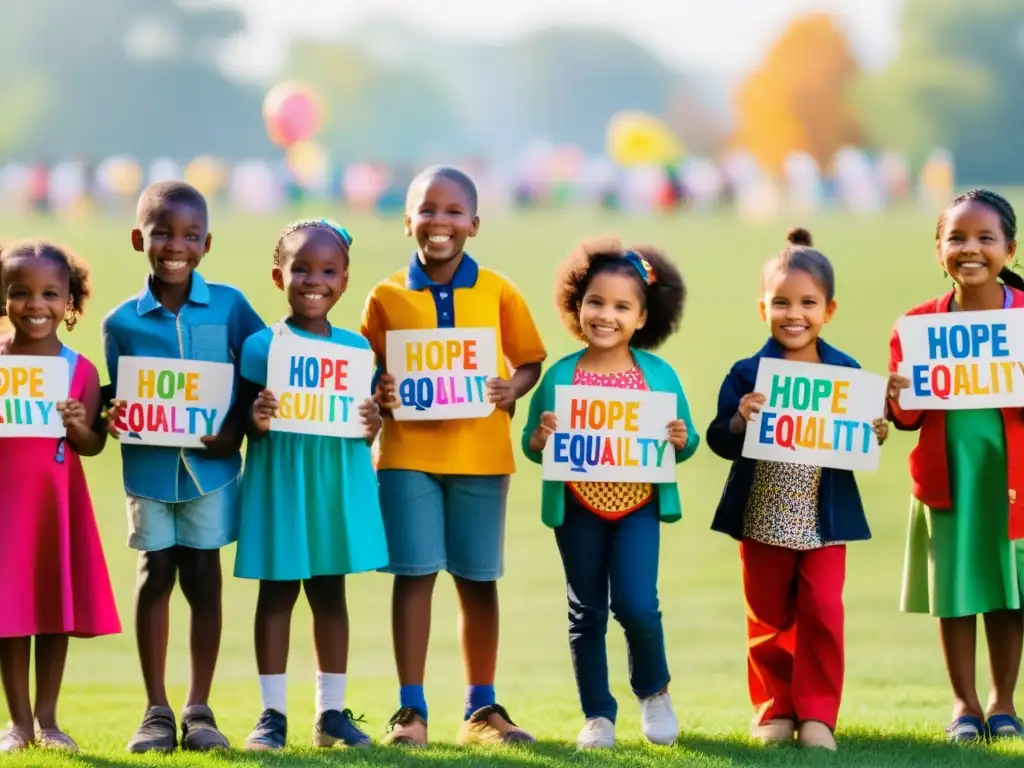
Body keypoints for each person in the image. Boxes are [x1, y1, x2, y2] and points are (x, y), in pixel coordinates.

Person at [361, 166, 546, 746]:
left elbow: (529, 361)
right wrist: (381, 390)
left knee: (477, 580)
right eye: (427, 209)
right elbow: (365, 371)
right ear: (407, 219)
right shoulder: (386, 296)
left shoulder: (498, 290)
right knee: (413, 578)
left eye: (452, 211)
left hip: (482, 456)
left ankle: (481, 710)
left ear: (474, 223)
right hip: (406, 455)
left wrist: (512, 390)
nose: (439, 222)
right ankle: (410, 712)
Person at [705, 228, 887, 751]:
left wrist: (874, 429)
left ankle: (818, 716)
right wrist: (740, 420)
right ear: (761, 306)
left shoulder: (845, 371)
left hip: (822, 517)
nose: (794, 314)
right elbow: (719, 439)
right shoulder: (748, 374)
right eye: (780, 302)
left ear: (828, 310)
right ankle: (773, 709)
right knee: (767, 614)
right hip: (763, 513)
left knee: (824, 610)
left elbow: (859, 434)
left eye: (807, 303)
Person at [102, 181, 265, 753]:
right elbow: (119, 396)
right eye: (163, 233)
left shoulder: (231, 305)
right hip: (149, 472)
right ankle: (155, 710)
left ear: (207, 242)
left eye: (190, 235)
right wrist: (113, 413)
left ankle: (198, 708)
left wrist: (237, 427)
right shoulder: (120, 322)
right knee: (155, 574)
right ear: (137, 239)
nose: (177, 245)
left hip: (213, 471)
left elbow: (257, 372)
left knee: (203, 577)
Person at [522, 238, 697, 749]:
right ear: (577, 305)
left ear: (643, 317)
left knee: (639, 605)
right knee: (587, 612)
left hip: (638, 507)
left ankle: (654, 690)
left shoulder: (658, 376)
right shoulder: (560, 376)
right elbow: (535, 443)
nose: (606, 315)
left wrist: (682, 440)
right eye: (596, 302)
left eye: (622, 307)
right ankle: (598, 714)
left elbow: (684, 440)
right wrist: (538, 438)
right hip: (579, 509)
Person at [235, 220, 388, 751]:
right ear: (278, 276)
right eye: (300, 269)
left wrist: (375, 422)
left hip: (333, 484)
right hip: (282, 479)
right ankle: (271, 715)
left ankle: (331, 714)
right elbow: (242, 415)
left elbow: (364, 418)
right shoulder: (262, 345)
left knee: (330, 594)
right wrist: (254, 415)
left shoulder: (356, 349)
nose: (313, 281)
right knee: (276, 595)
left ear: (344, 281)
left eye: (327, 271)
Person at [889, 189, 1024, 742]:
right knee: (957, 590)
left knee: (1009, 589)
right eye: (957, 238)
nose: (971, 250)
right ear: (938, 249)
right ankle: (964, 704)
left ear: (1009, 250)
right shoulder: (917, 325)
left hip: (1013, 479)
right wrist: (895, 395)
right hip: (949, 479)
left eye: (985, 239)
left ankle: (1003, 702)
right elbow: (908, 415)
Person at [0, 240, 120, 753]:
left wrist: (80, 426)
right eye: (20, 293)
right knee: (9, 612)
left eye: (50, 294)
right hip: (7, 506)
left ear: (69, 302)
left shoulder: (81, 369)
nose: (35, 305)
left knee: (53, 606)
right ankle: (18, 724)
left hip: (55, 504)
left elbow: (91, 446)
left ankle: (49, 721)